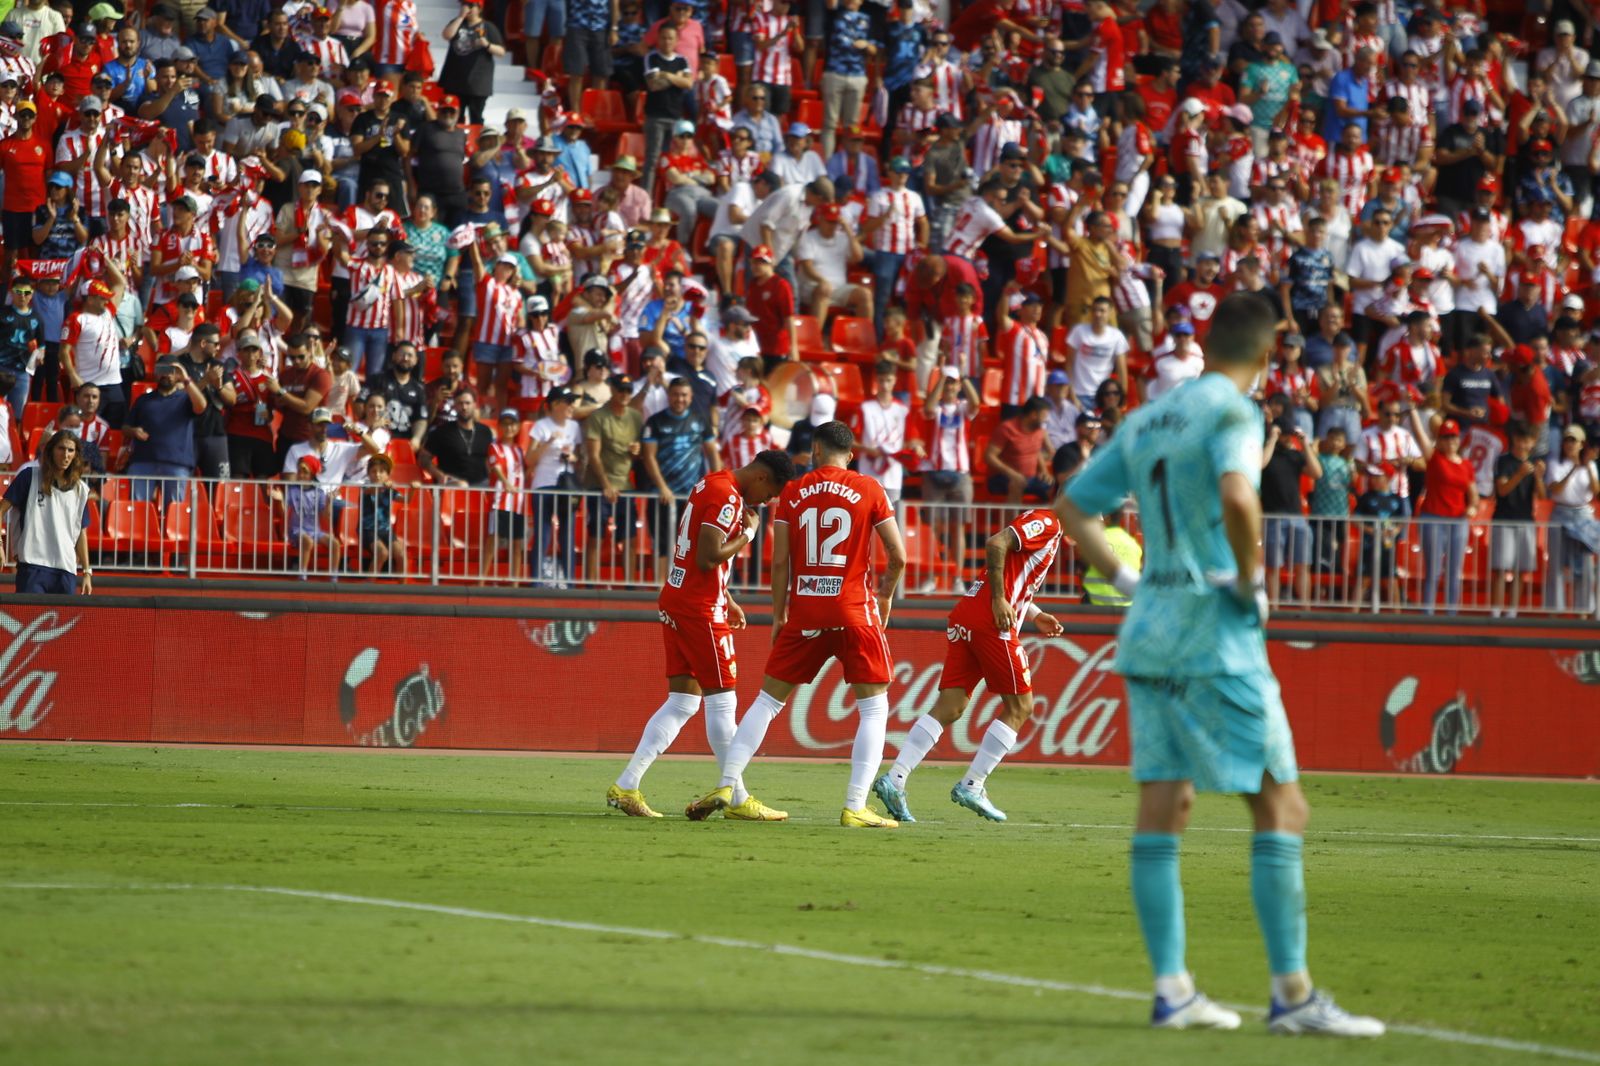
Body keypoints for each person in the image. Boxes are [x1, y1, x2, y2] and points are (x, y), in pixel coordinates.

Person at [1057, 291, 1385, 1036]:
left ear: (1204, 344)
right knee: (1281, 805)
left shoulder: (1149, 417)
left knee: (1162, 811)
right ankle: (1293, 994)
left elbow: (1074, 505)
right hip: (1215, 634)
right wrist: (1251, 578)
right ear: (1267, 357)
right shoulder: (1238, 414)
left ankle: (1173, 990)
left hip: (1149, 629)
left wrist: (1127, 576)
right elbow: (1240, 494)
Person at [685, 420, 907, 828]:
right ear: (851, 454)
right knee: (874, 708)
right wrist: (886, 596)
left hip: (805, 611)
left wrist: (779, 615)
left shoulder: (792, 491)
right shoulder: (870, 489)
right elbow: (898, 555)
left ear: (816, 452)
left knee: (767, 702)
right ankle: (855, 806)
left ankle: (727, 782)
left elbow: (781, 560)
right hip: (854, 609)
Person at [607, 447, 797, 818]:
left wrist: (727, 596)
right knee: (722, 701)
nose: (767, 501)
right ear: (761, 476)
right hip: (699, 611)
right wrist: (749, 535)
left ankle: (626, 785)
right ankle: (738, 798)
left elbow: (698, 553)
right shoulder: (727, 495)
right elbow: (708, 556)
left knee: (683, 702)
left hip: (680, 598)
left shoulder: (712, 482)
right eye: (770, 493)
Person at [874, 508, 1066, 823]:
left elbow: (1012, 576)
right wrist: (999, 601)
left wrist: (1034, 614)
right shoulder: (1048, 522)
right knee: (1020, 706)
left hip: (967, 614)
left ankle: (895, 779)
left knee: (950, 706)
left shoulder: (1047, 524)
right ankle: (972, 784)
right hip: (991, 622)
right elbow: (996, 543)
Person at [640, 377, 720, 579]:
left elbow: (712, 452)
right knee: (662, 543)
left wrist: (715, 485)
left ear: (691, 397)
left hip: (692, 497)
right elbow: (648, 456)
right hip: (663, 495)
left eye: (684, 395)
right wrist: (662, 487)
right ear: (669, 395)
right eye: (675, 394)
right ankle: (660, 589)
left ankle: (684, 587)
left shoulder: (700, 419)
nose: (679, 399)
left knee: (689, 544)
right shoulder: (655, 421)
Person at [0, 430, 92, 594]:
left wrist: (86, 571)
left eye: (70, 450)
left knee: (62, 620)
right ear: (50, 450)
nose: (66, 454)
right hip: (32, 564)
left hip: (65, 569)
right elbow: (1, 510)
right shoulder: (29, 477)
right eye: (61, 448)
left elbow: (81, 533)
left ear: (76, 455)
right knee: (27, 619)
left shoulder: (81, 490)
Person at [582, 373, 643, 584]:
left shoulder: (635, 417)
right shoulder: (598, 416)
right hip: (599, 485)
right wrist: (606, 485)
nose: (625, 394)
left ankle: (629, 586)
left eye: (628, 390)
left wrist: (637, 451)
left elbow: (639, 453)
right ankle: (591, 585)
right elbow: (593, 455)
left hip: (625, 484)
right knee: (595, 534)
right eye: (621, 390)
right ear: (612, 390)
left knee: (629, 536)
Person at [124, 358, 209, 503]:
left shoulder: (185, 399)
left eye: (172, 371)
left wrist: (186, 378)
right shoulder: (143, 400)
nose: (167, 375)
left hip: (176, 463)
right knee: (137, 511)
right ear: (157, 373)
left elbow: (201, 406)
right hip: (143, 461)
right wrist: (133, 431)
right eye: (163, 370)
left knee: (174, 513)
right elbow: (125, 427)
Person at [1418, 419, 1478, 615]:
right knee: (1433, 570)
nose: (1451, 440)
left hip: (1458, 520)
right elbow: (1421, 438)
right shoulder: (1435, 458)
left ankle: (1451, 613)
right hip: (1434, 517)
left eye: (1453, 436)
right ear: (1440, 440)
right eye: (1446, 437)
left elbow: (1473, 495)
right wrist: (1412, 413)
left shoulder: (1466, 465)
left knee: (1454, 571)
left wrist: (1471, 508)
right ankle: (1428, 612)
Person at [1489, 422, 1545, 618]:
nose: (1523, 444)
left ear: (1533, 443)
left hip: (1525, 521)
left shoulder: (1535, 463)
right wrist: (1520, 474)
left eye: (1527, 441)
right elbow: (1502, 490)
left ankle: (1512, 610)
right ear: (1514, 439)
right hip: (1504, 519)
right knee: (1501, 568)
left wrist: (1538, 476)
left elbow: (1542, 495)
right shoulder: (1504, 461)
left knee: (1521, 569)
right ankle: (1496, 609)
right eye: (1520, 440)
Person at [419, 388, 493, 486]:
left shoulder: (485, 431)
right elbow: (423, 458)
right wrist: (439, 475)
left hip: (481, 486)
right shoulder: (442, 431)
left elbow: (490, 461)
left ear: (475, 405)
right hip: (452, 485)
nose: (464, 407)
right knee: (462, 485)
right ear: (455, 406)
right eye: (460, 403)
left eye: (468, 403)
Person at [985, 398, 1053, 504]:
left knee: (1054, 486)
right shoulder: (1007, 428)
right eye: (1044, 416)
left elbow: (1036, 451)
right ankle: (1014, 521)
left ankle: (1043, 519)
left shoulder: (1040, 431)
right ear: (1034, 414)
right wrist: (1012, 474)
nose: (1047, 420)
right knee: (1016, 483)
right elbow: (990, 456)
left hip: (1030, 478)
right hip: (1002, 478)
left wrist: (1044, 471)